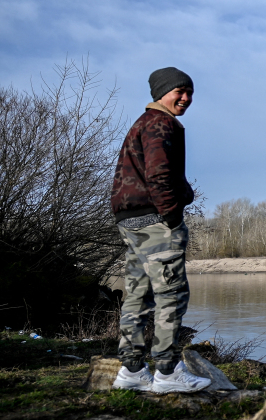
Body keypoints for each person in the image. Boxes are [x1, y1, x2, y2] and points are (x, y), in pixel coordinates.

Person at [109, 67, 211, 394]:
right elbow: (159, 173)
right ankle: (167, 372)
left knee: (138, 293)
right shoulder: (159, 122)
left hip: (131, 218)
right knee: (172, 294)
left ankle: (132, 370)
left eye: (190, 92)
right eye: (179, 91)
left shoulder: (142, 123)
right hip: (154, 221)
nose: (186, 98)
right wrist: (171, 215)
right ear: (161, 93)